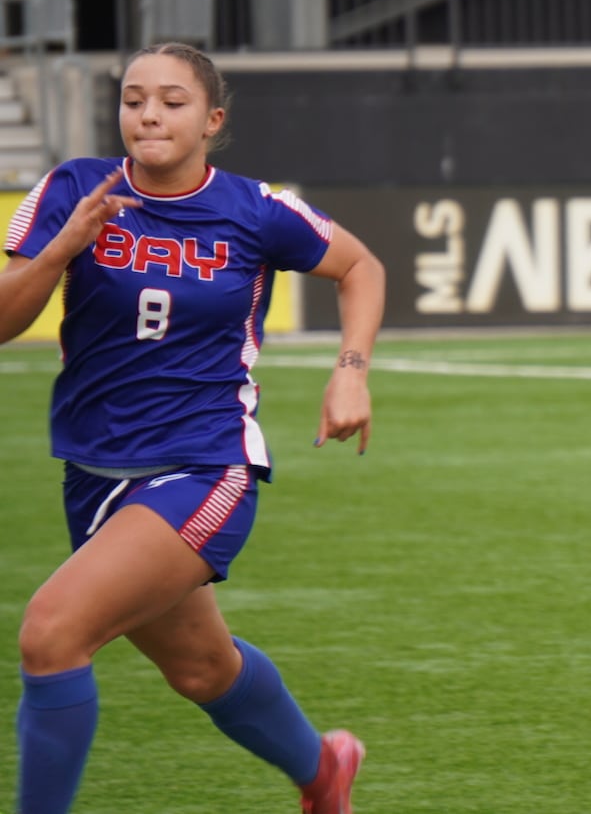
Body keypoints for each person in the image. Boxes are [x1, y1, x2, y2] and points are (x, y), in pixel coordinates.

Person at [2, 42, 386, 814]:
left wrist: (351, 368)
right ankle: (323, 774)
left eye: (172, 101)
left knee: (50, 634)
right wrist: (64, 248)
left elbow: (361, 267)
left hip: (204, 465)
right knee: (203, 670)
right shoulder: (72, 187)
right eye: (134, 97)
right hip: (95, 475)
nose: (148, 113)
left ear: (211, 120)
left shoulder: (256, 209)